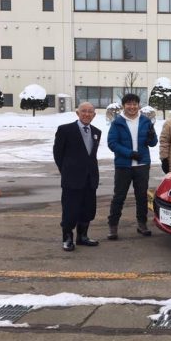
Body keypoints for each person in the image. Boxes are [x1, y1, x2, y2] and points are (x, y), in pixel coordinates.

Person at [106, 93, 158, 240]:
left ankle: (142, 224)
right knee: (119, 196)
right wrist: (130, 154)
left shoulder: (145, 121)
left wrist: (152, 136)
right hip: (124, 166)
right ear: (124, 106)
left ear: (138, 105)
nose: (132, 107)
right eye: (129, 104)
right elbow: (112, 143)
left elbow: (153, 143)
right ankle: (113, 226)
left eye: (135, 104)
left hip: (142, 165)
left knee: (142, 197)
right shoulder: (118, 122)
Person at [53, 102, 101, 252]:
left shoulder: (96, 132)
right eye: (84, 111)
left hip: (90, 178)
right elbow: (58, 153)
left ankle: (82, 237)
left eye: (90, 112)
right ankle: (67, 238)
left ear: (94, 115)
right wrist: (66, 170)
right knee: (70, 210)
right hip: (72, 179)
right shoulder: (65, 130)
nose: (87, 114)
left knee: (88, 209)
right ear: (77, 113)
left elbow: (91, 156)